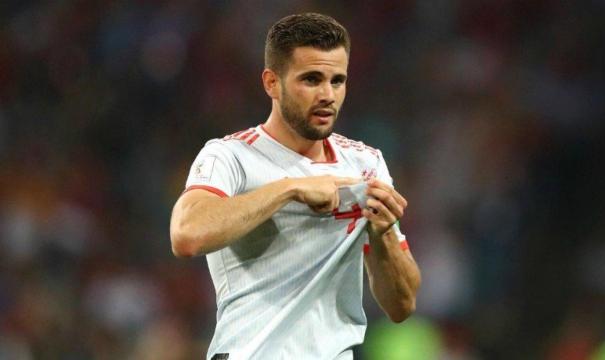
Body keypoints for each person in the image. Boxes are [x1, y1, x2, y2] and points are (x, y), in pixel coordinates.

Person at [170, 13, 421, 360]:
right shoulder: (231, 156)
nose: (327, 95)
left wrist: (384, 234)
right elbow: (187, 234)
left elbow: (402, 305)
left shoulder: (366, 164)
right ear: (272, 82)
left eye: (337, 80)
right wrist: (291, 188)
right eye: (312, 79)